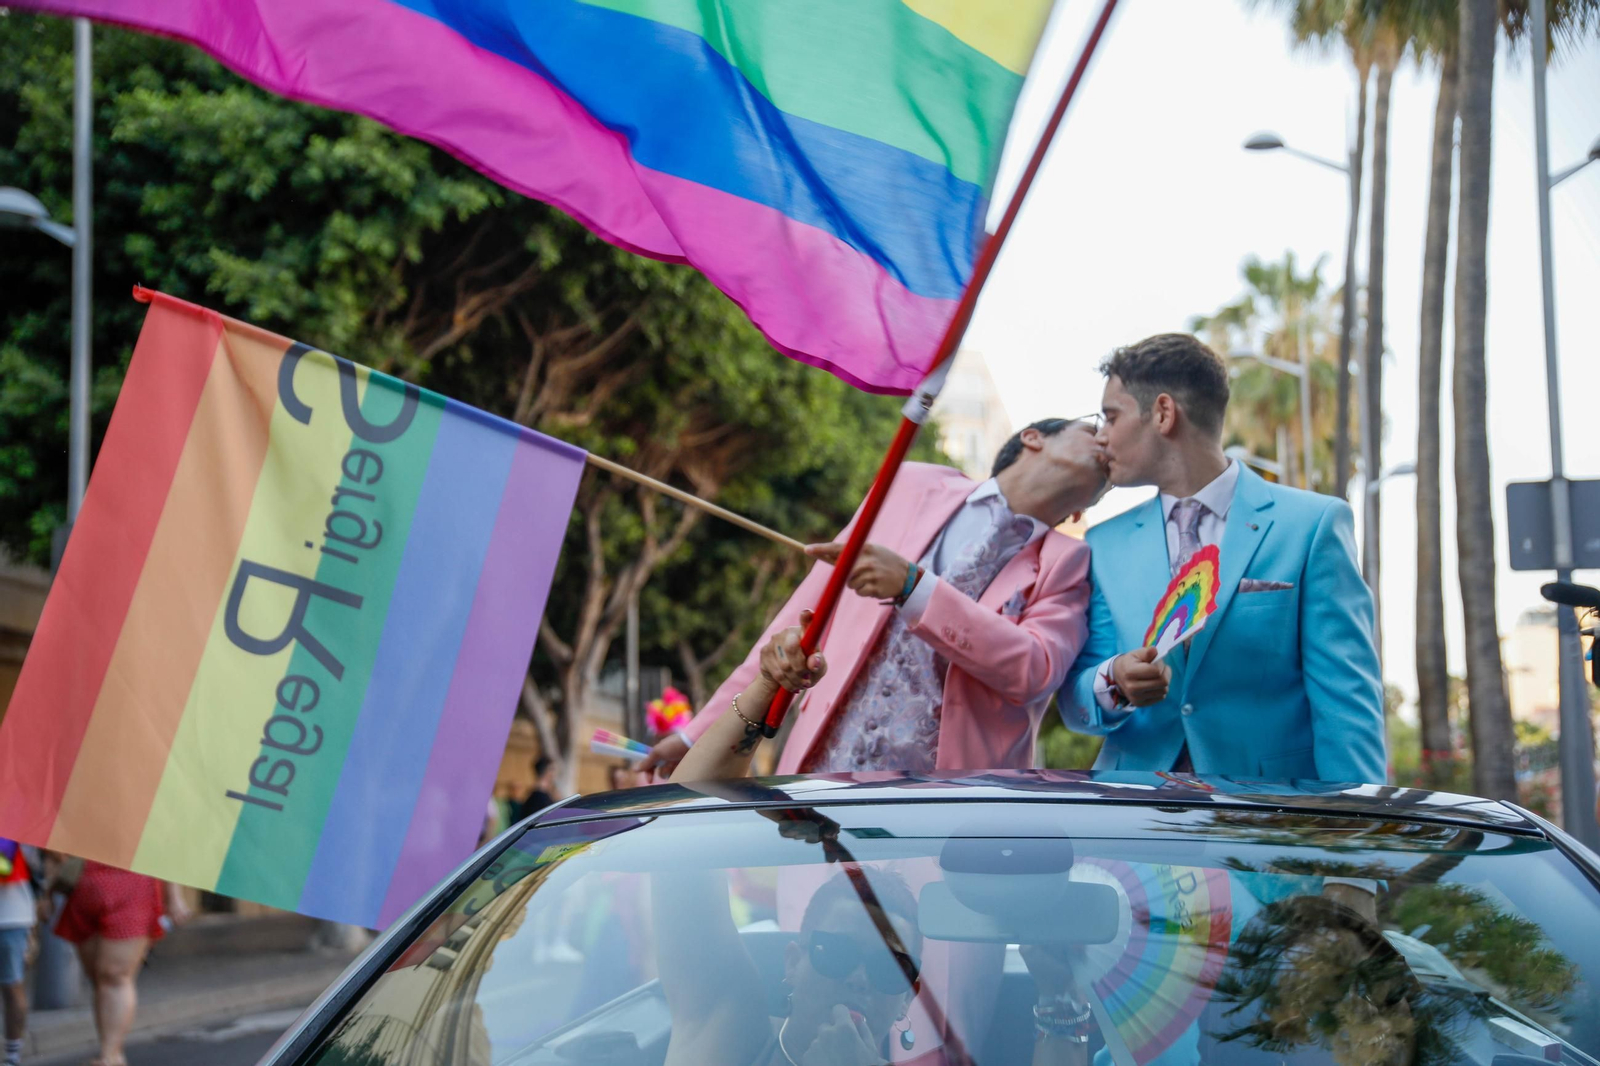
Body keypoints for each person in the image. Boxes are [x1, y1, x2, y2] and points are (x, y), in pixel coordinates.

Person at [660, 637, 1092, 1066]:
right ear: (793, 961)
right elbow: (681, 826)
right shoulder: (729, 1032)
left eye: (890, 971)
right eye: (836, 954)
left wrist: (1059, 994)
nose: (860, 979)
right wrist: (768, 687)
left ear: (907, 998)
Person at [640, 417, 1109, 779]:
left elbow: (1035, 670)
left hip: (947, 817)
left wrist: (913, 586)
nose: (1106, 439)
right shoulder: (911, 484)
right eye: (1092, 428)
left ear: (1079, 511)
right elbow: (801, 617)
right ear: (1032, 438)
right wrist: (697, 733)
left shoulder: (1069, 562)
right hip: (821, 781)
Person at [1058, 333, 1386, 782]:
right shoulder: (1102, 543)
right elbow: (1073, 701)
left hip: (1265, 810)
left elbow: (1346, 703)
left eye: (1112, 417)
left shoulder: (1311, 526)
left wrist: (1359, 818)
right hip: (1132, 808)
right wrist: (1113, 680)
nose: (1102, 436)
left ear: (1163, 413)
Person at [52, 861, 188, 1066]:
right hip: (84, 884)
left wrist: (174, 896)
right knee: (99, 978)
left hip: (133, 885)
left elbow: (166, 847)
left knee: (114, 975)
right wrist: (48, 891)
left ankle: (109, 1055)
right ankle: (112, 1053)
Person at [0, 843, 34, 1066]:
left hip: (11, 917)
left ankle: (13, 1055)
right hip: (13, 916)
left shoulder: (18, 828)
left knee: (11, 985)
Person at [514, 754, 560, 823]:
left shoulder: (539, 794)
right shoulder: (539, 797)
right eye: (553, 769)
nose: (555, 773)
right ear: (547, 772)